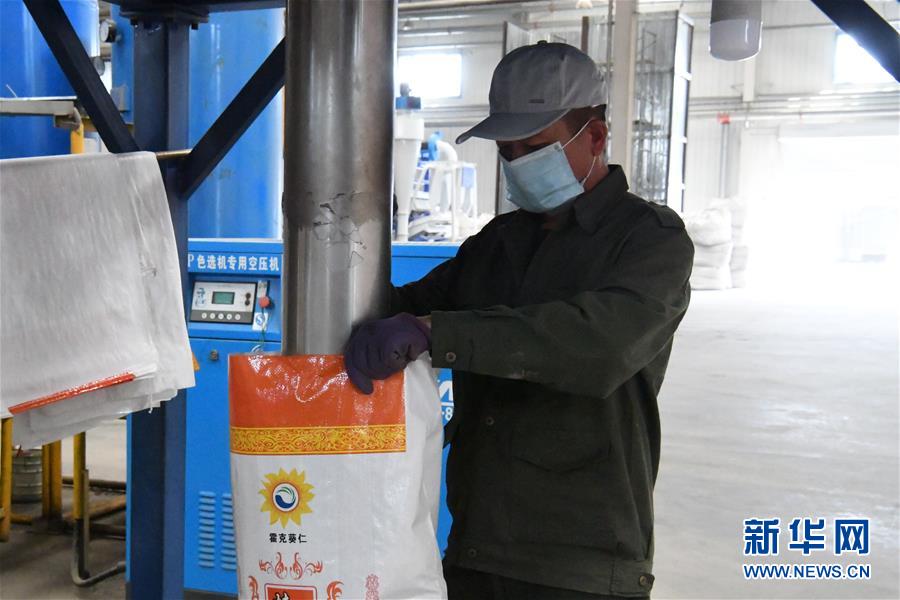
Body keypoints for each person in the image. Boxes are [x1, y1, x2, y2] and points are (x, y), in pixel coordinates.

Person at [343, 42, 693, 600]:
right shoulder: (498, 243)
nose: (518, 164)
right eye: (507, 151)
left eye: (534, 148)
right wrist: (336, 272)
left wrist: (437, 332)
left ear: (595, 137)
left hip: (583, 562)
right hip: (477, 547)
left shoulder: (649, 240)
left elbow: (597, 344)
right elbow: (402, 304)